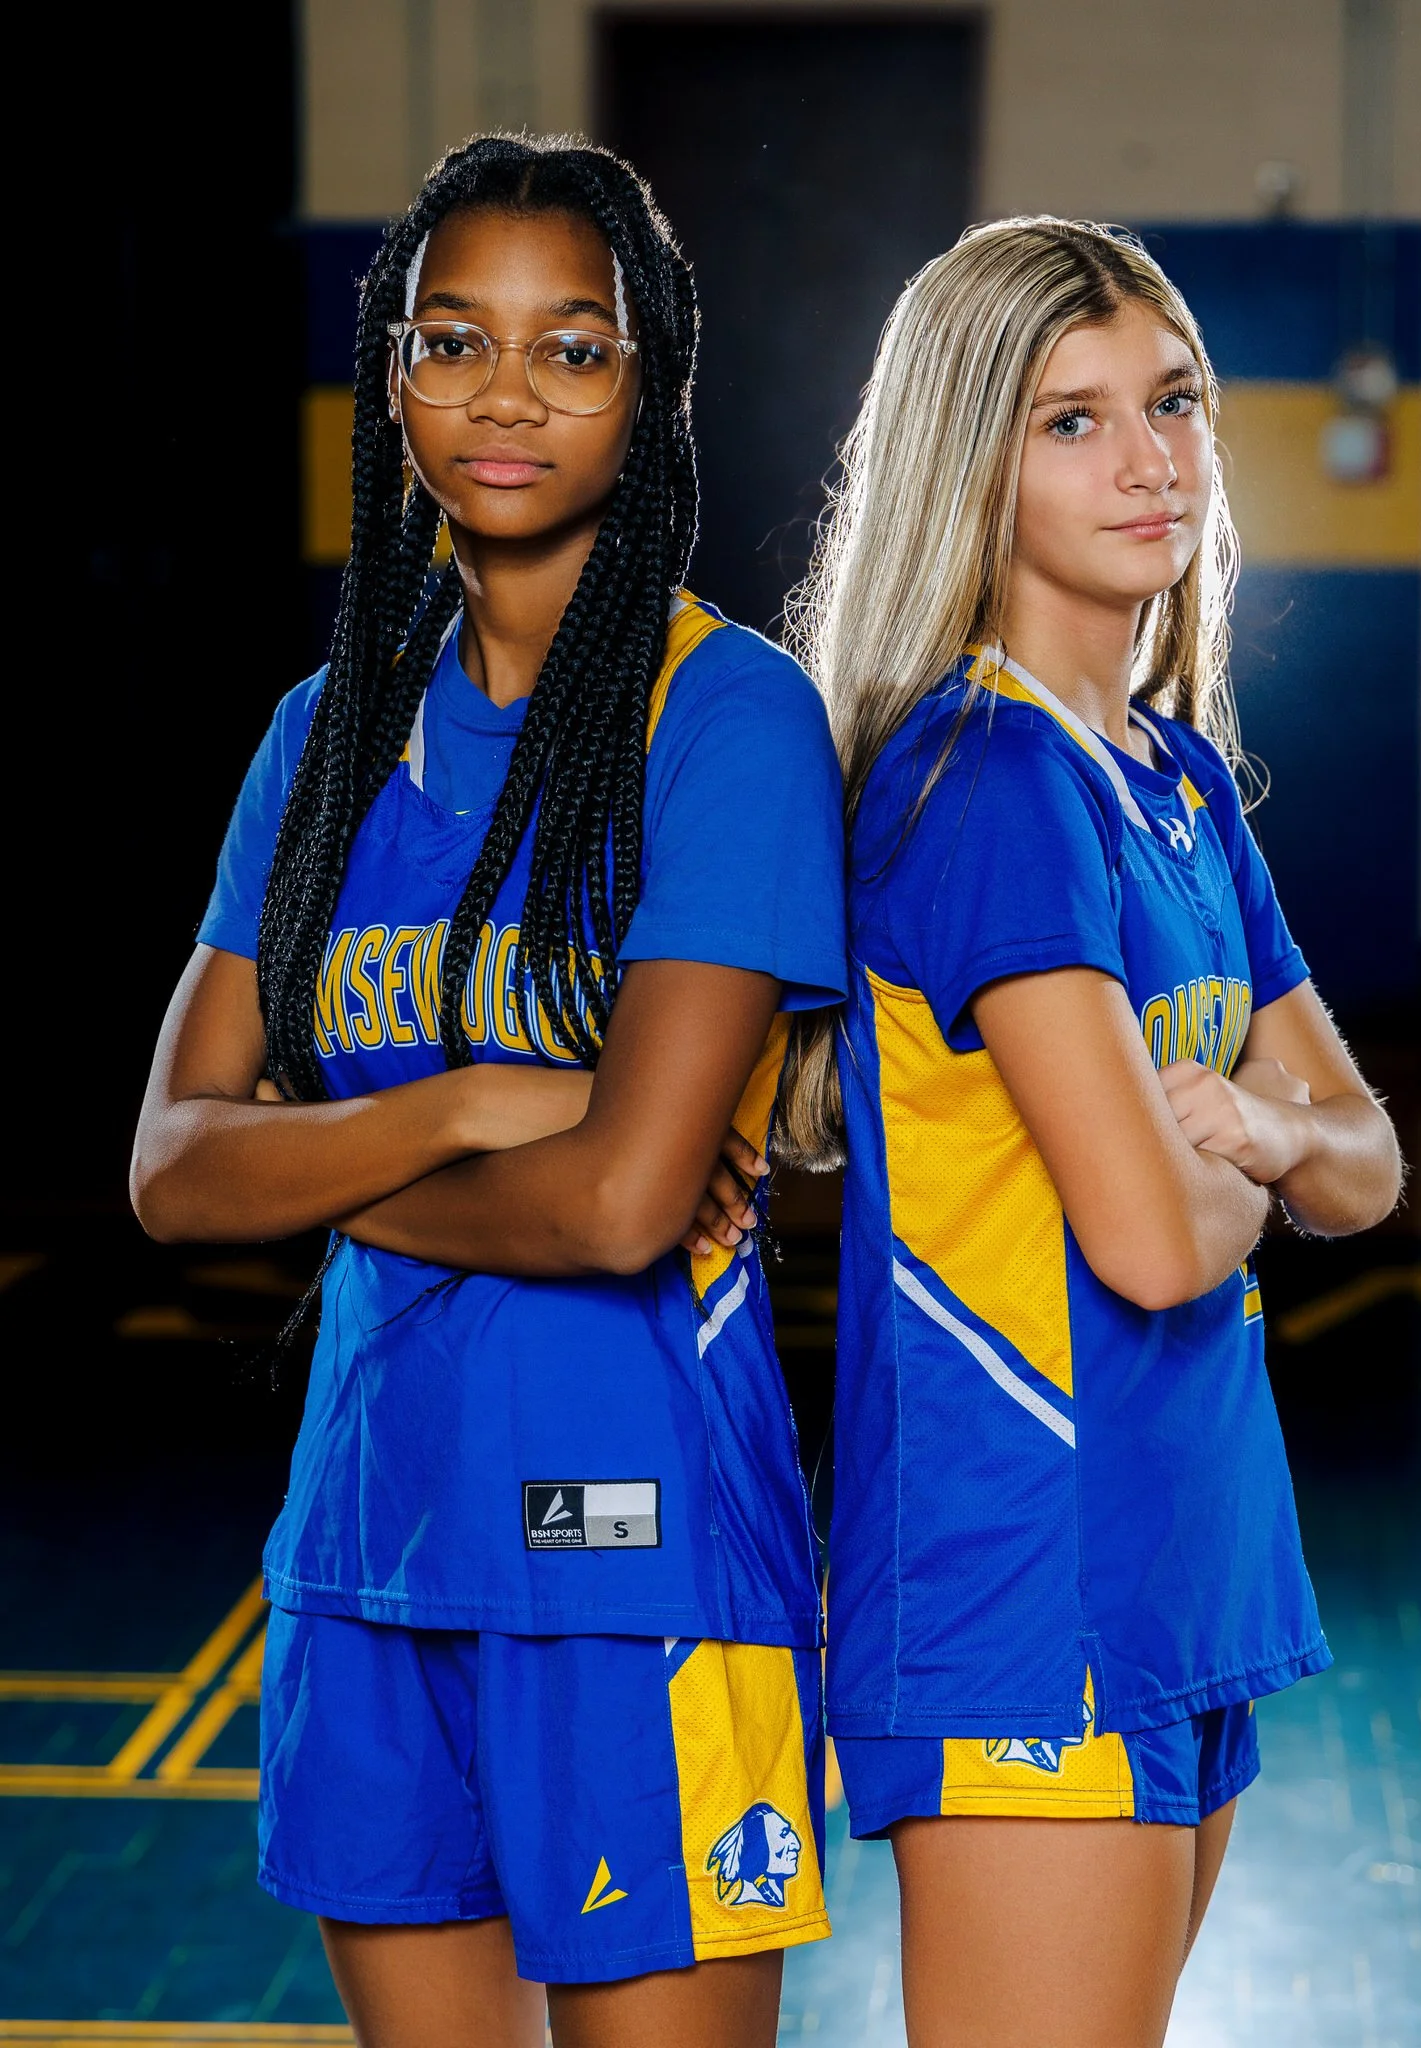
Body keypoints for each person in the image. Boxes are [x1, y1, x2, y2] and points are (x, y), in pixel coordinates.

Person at [130, 135, 843, 2048]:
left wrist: (311, 1169)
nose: (505, 395)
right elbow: (168, 1172)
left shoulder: (726, 718)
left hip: (635, 1551)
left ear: (651, 387)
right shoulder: (328, 732)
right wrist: (457, 1112)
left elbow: (619, 1207)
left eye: (574, 348)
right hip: (365, 1540)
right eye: (452, 340)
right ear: (389, 377)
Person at [782, 217, 1403, 2047]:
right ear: (968, 459)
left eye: (1174, 401)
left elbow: (1365, 1157)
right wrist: (1255, 1147)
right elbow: (1141, 1238)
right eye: (1068, 421)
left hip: (1182, 1548)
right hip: (1017, 1578)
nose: (1148, 460)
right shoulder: (986, 781)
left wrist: (1261, 1143)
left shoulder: (1175, 774)